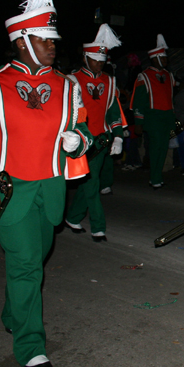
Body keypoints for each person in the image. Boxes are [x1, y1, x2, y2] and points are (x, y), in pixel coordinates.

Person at [0, 0, 92, 367]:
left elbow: (83, 131)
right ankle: (31, 347)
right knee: (27, 265)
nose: (54, 46)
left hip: (50, 192)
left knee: (37, 257)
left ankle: (13, 315)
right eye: (45, 40)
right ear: (22, 42)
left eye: (54, 40)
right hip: (8, 192)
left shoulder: (69, 87)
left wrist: (78, 141)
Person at [65, 24, 124, 242]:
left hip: (101, 140)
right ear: (85, 58)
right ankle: (98, 226)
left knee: (90, 181)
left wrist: (117, 136)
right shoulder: (71, 80)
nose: (99, 64)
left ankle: (73, 217)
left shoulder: (109, 81)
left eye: (102, 60)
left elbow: (113, 109)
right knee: (91, 185)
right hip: (80, 141)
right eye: (95, 60)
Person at [131, 34, 178, 189]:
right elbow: (139, 101)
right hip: (153, 117)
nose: (166, 61)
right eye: (163, 58)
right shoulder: (144, 76)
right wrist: (139, 121)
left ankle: (157, 176)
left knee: (163, 148)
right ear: (155, 58)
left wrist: (173, 119)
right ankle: (155, 177)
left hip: (166, 117)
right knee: (156, 147)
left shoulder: (168, 75)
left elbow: (171, 99)